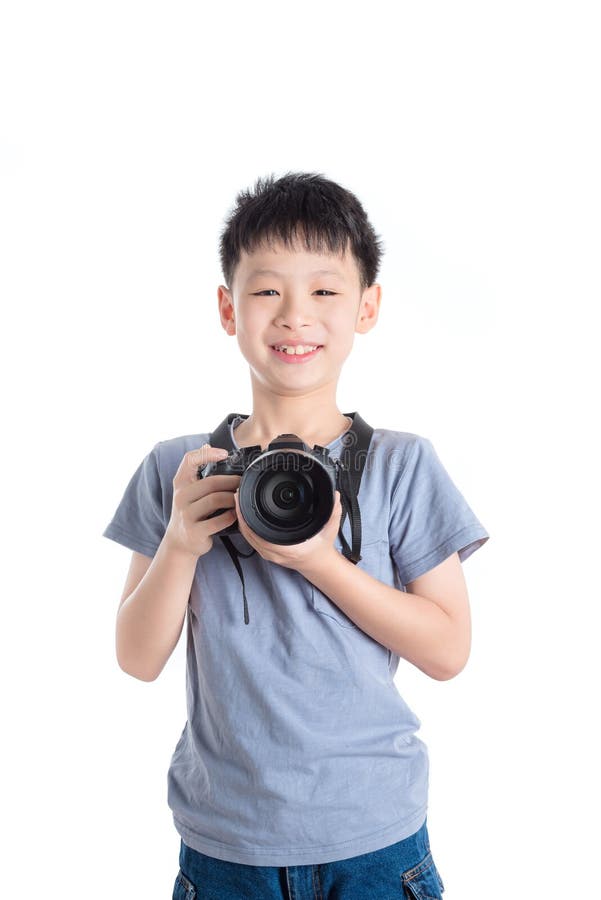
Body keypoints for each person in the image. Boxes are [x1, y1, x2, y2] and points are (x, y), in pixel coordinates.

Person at [102, 171, 489, 899]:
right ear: (227, 308)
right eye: (266, 290)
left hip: (375, 836)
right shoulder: (180, 469)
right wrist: (183, 541)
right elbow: (136, 657)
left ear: (366, 307)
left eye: (323, 291)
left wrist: (317, 559)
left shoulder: (402, 465)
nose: (293, 316)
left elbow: (447, 651)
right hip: (225, 843)